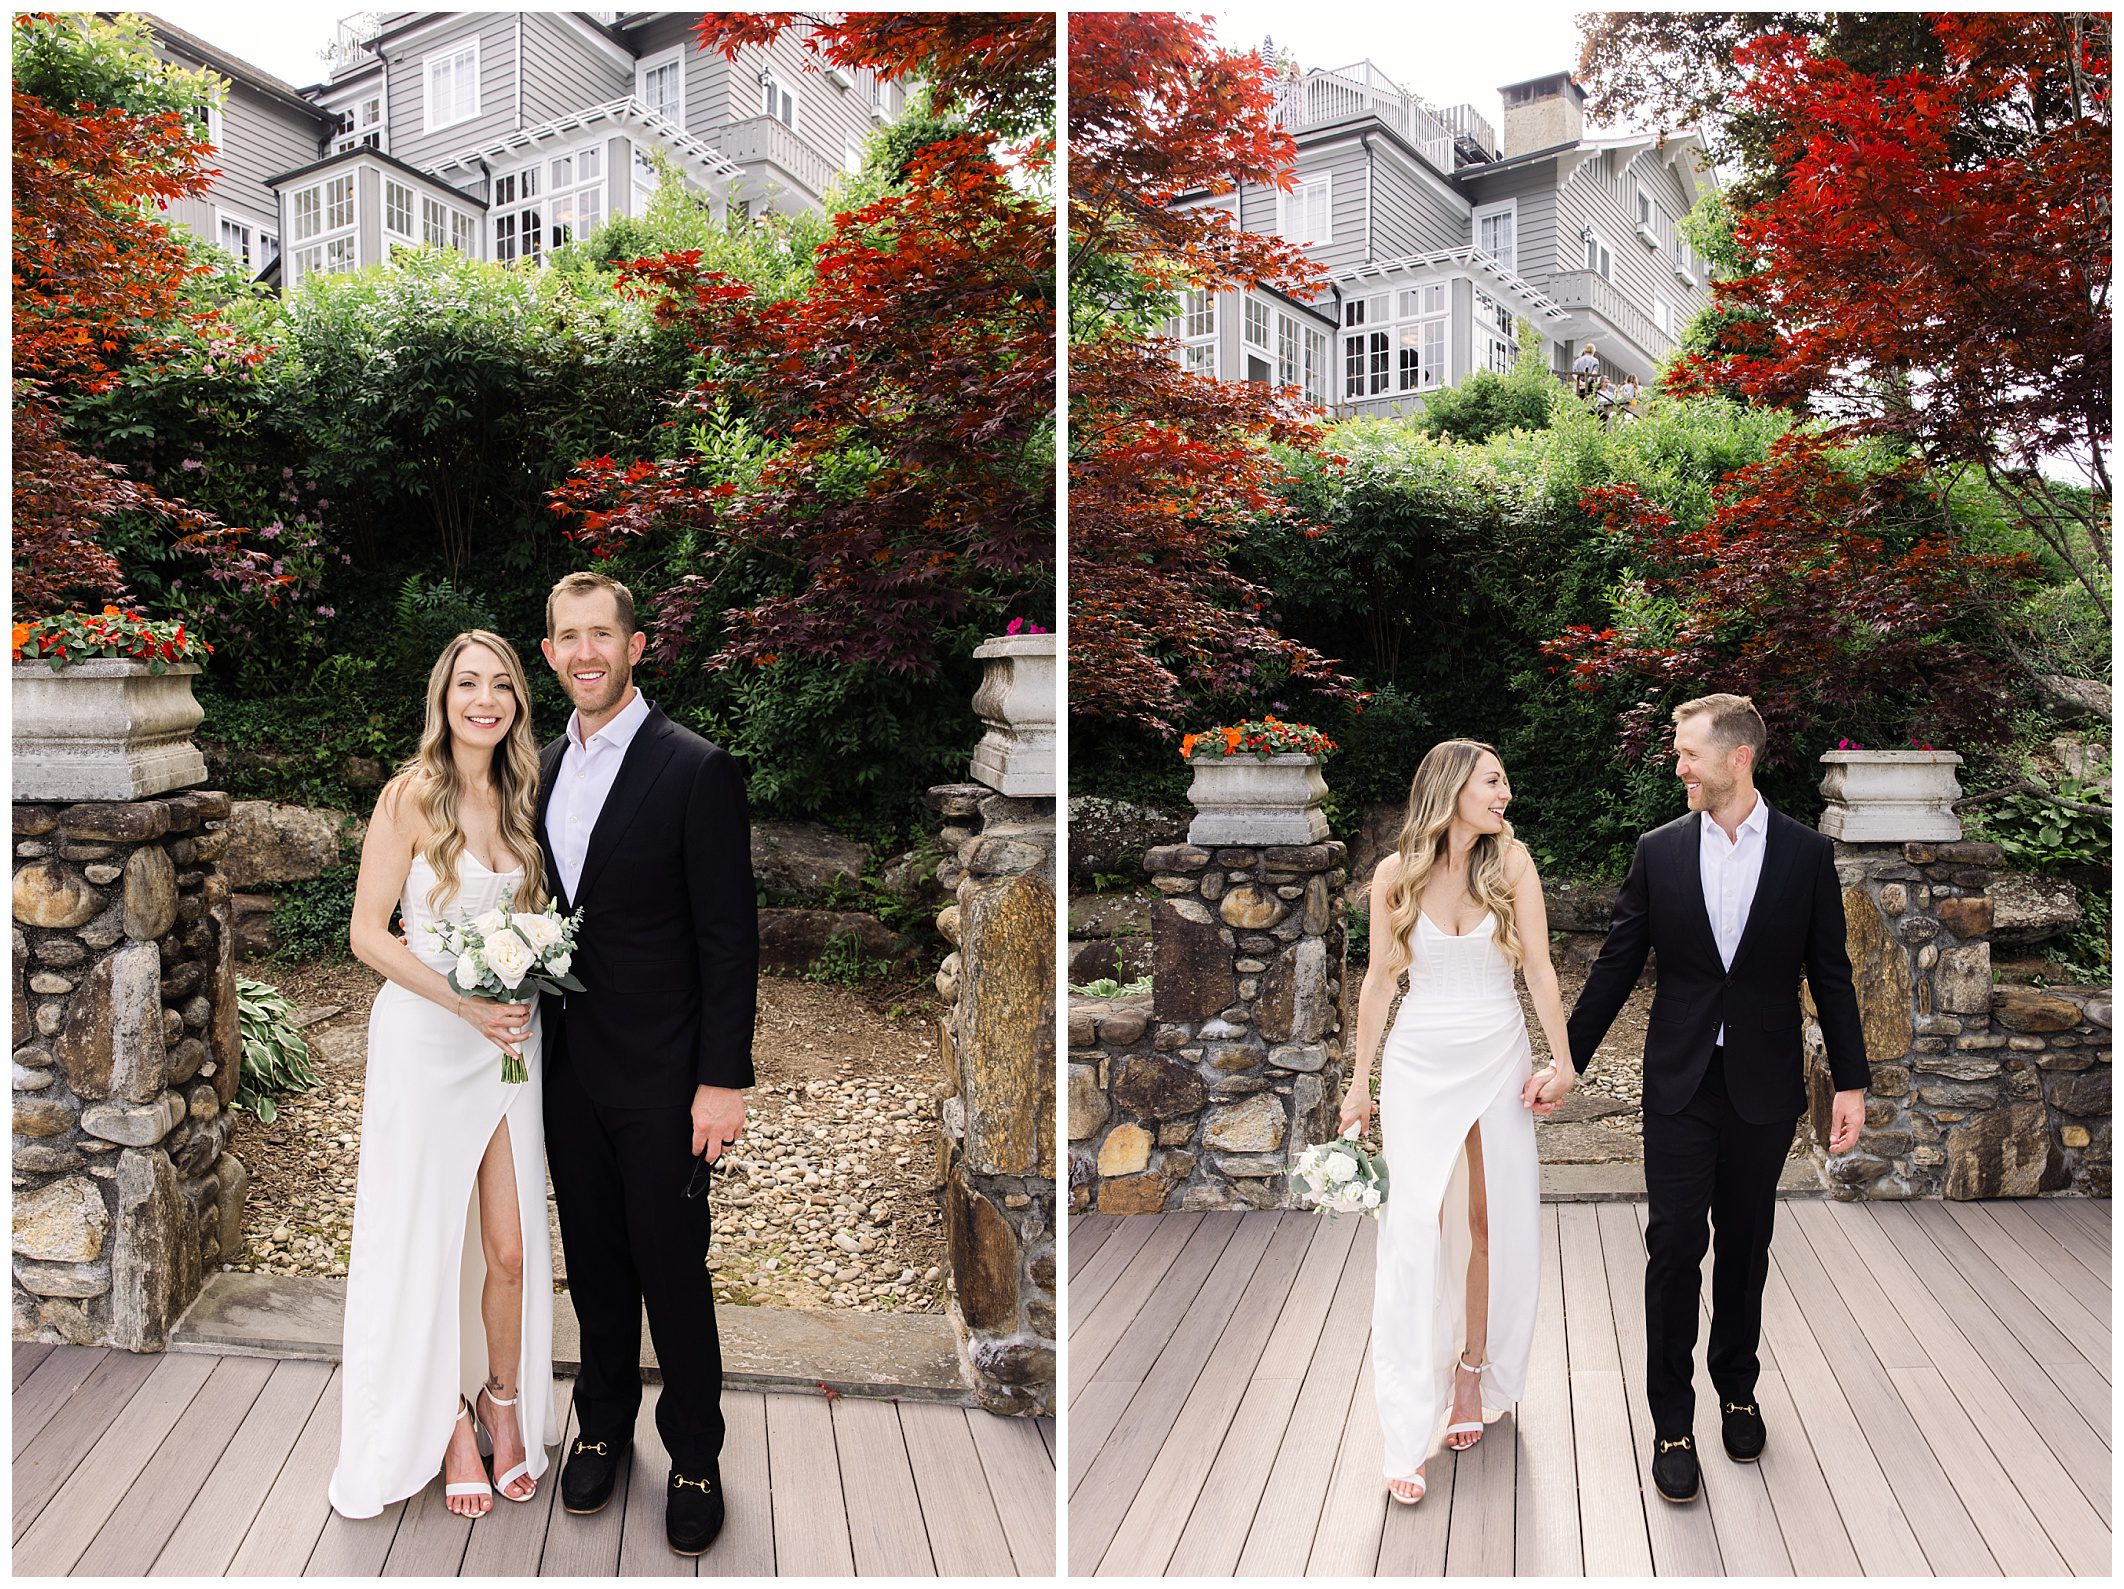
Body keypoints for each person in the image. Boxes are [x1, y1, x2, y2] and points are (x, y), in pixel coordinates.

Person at [1563, 693, 1868, 1505]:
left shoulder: (1806, 855)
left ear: (1739, 758)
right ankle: (1672, 1421)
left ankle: (1737, 1387)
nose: (1678, 764)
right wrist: (1567, 1059)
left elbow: (1831, 975)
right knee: (1672, 1251)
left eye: (1688, 750)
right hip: (1679, 1082)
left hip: (1764, 1086)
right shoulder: (1659, 850)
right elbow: (1617, 964)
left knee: (1746, 1245)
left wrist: (1853, 1081)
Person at [535, 570, 758, 1556]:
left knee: (672, 1268)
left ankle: (696, 1454)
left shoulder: (693, 767)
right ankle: (602, 1423)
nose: (585, 651)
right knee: (592, 1263)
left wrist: (724, 1078)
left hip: (668, 1075)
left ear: (634, 646)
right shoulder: (536, 767)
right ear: (549, 653)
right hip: (565, 1067)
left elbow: (730, 936)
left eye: (601, 633)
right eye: (566, 636)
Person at [330, 630, 557, 1520]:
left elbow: (535, 921)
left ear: (516, 702)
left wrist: (528, 977)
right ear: (444, 696)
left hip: (509, 1048)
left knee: (508, 1246)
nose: (485, 699)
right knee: (427, 1243)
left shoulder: (519, 795)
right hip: (428, 1042)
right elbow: (367, 932)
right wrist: (463, 1003)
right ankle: (448, 1418)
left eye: (500, 684)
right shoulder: (410, 796)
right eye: (469, 684)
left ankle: (503, 1398)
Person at [1340, 740, 1576, 1505]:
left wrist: (1562, 1060)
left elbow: (1539, 967)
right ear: (1451, 788)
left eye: (1504, 779)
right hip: (1419, 1058)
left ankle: (1471, 1377)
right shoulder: (1394, 875)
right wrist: (1357, 1087)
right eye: (1493, 780)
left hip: (1497, 1048)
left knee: (1485, 1219)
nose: (1505, 792)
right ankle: (1407, 1425)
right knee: (1413, 1226)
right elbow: (1378, 981)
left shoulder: (1511, 864)